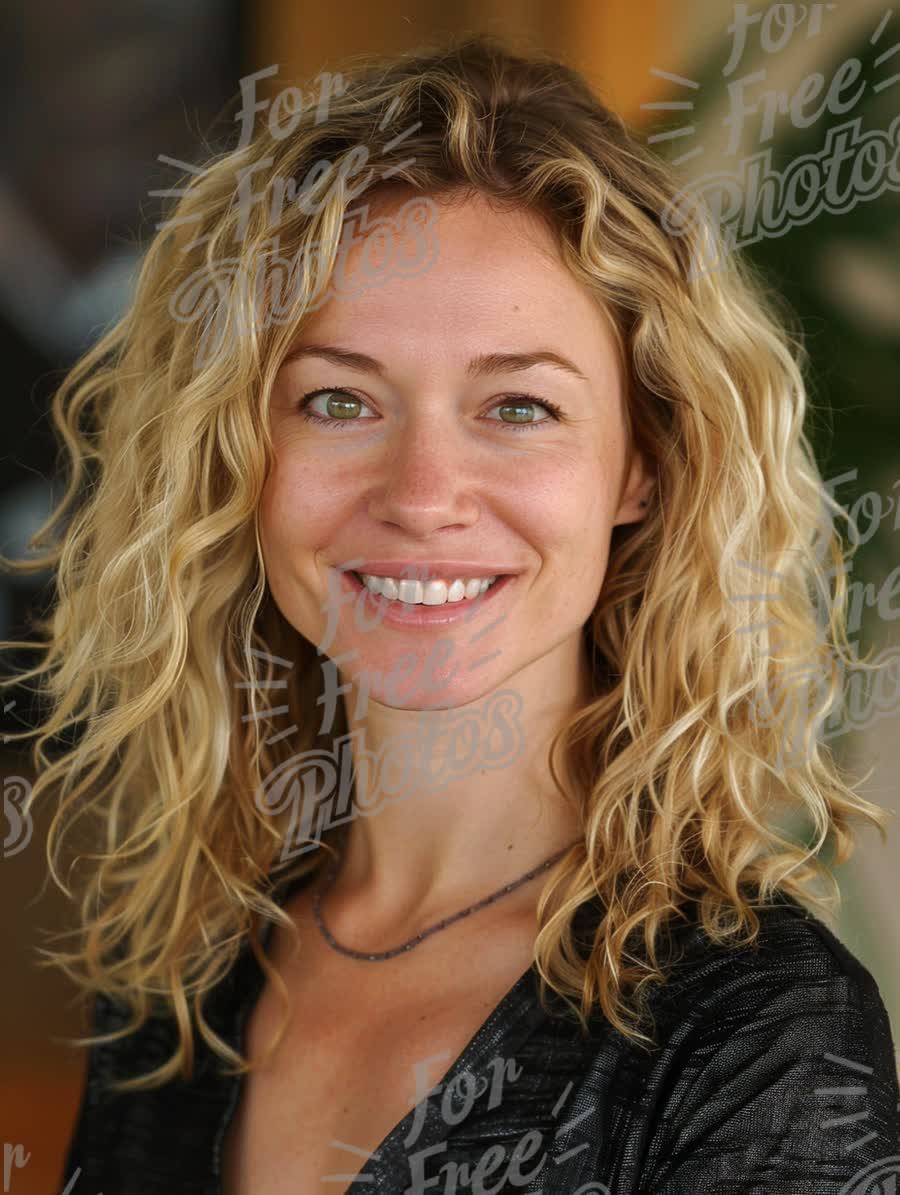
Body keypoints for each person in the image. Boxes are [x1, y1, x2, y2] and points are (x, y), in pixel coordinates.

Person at [2, 31, 897, 1195]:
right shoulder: (180, 973)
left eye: (518, 406)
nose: (422, 495)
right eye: (338, 398)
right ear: (239, 457)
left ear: (645, 463)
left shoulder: (757, 1029)